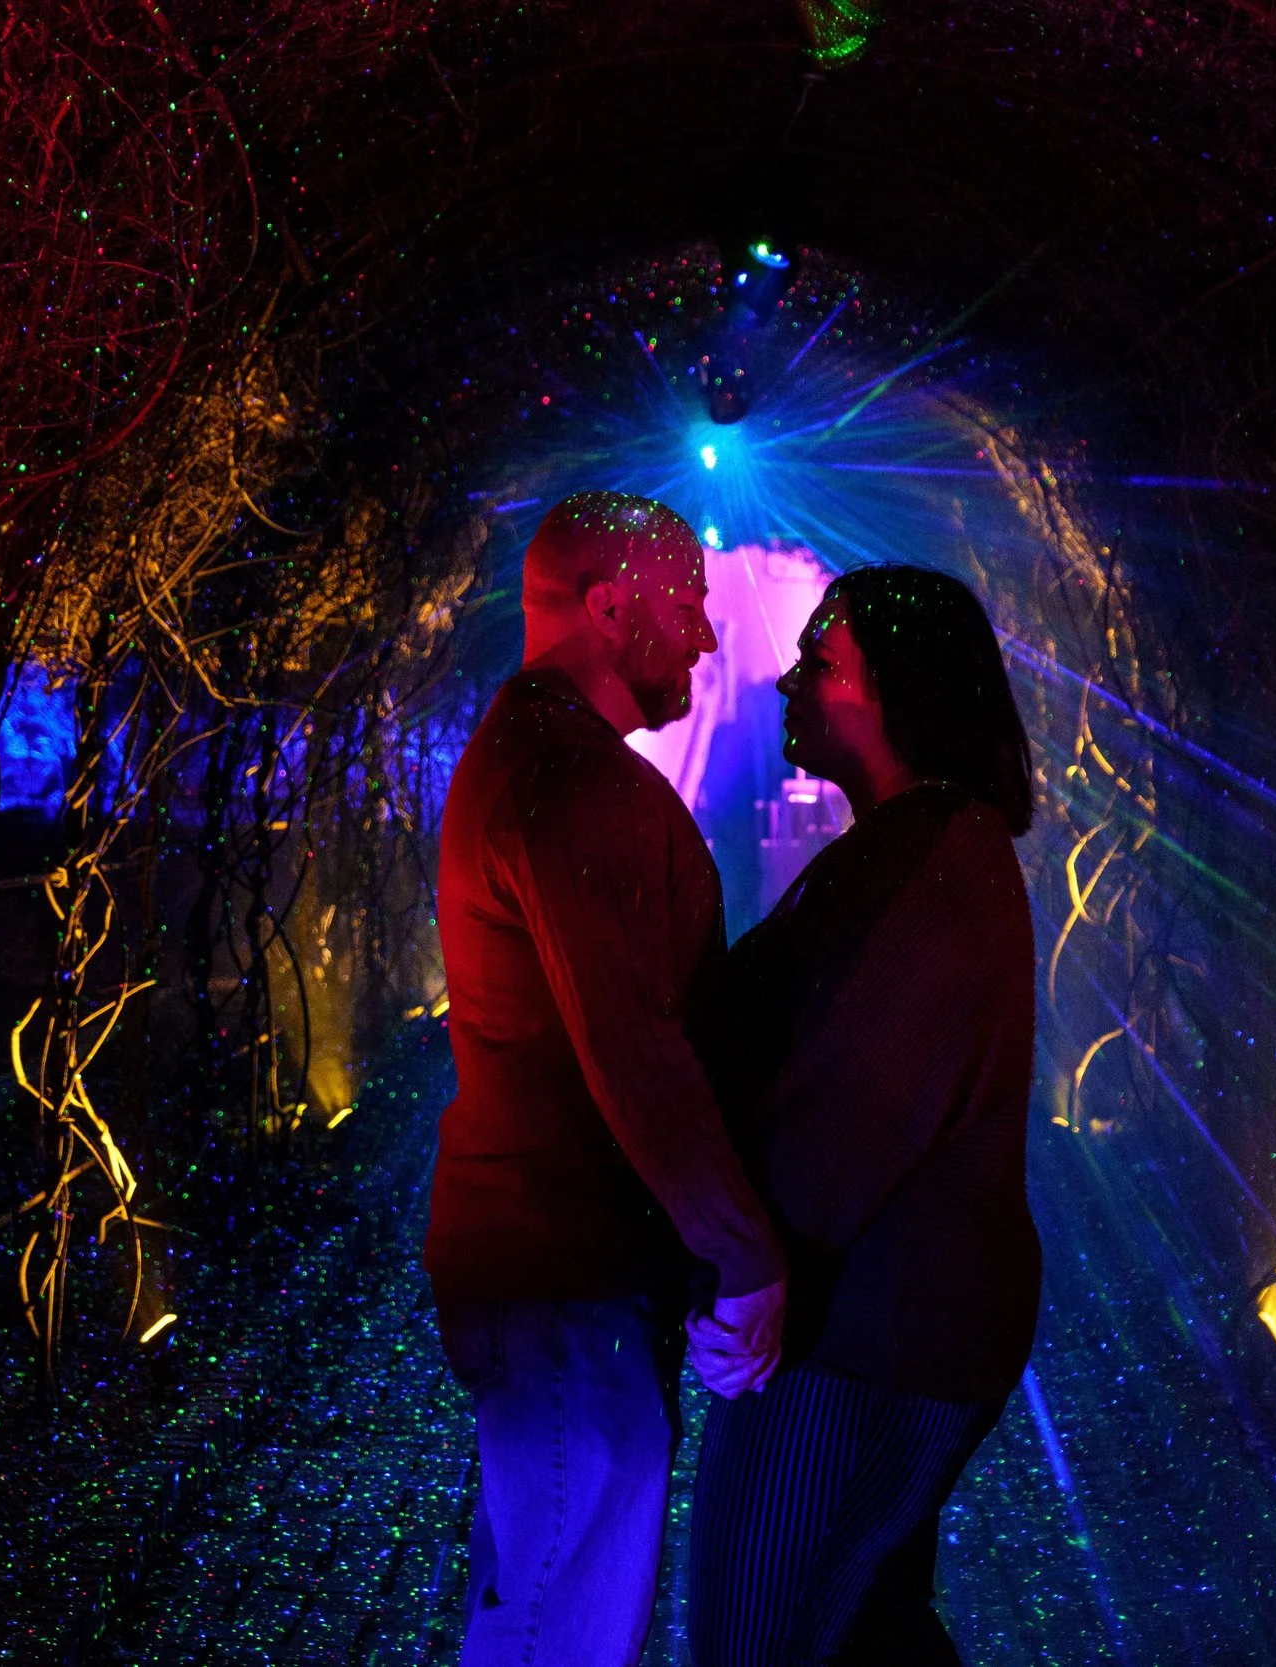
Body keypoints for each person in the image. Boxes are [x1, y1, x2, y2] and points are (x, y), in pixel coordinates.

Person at [426, 491, 790, 1665]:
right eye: (686, 601)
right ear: (609, 602)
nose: (705, 635)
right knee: (558, 1621)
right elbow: (635, 1049)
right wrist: (743, 1254)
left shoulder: (528, 753)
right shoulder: (573, 783)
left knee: (534, 1587)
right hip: (568, 1273)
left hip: (546, 1268)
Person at [685, 563, 1043, 1667]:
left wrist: (750, 1271)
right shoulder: (916, 847)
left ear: (901, 690)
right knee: (859, 1629)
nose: (789, 678)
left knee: (764, 1632)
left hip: (864, 1335)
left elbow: (857, 1098)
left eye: (821, 659)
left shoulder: (941, 859)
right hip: (881, 1323)